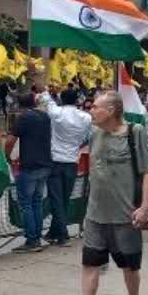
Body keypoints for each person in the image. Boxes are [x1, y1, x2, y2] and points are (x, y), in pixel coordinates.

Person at [55, 91, 148, 295]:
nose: (91, 111)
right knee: (90, 264)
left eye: (96, 107)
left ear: (111, 110)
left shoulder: (135, 132)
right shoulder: (94, 132)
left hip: (125, 216)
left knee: (130, 266)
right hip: (95, 214)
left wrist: (144, 207)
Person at [44, 88, 92, 247]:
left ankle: (62, 234)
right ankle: (54, 232)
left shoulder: (56, 112)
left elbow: (46, 99)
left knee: (56, 198)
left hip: (55, 159)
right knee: (64, 198)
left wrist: (44, 89)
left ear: (62, 99)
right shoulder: (85, 117)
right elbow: (88, 137)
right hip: (72, 160)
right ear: (77, 100)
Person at [5, 92, 52, 252]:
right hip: (45, 163)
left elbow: (10, 141)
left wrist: (7, 156)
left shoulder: (23, 118)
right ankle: (37, 237)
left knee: (26, 204)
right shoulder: (45, 117)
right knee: (37, 201)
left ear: (19, 104)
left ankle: (31, 240)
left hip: (29, 165)